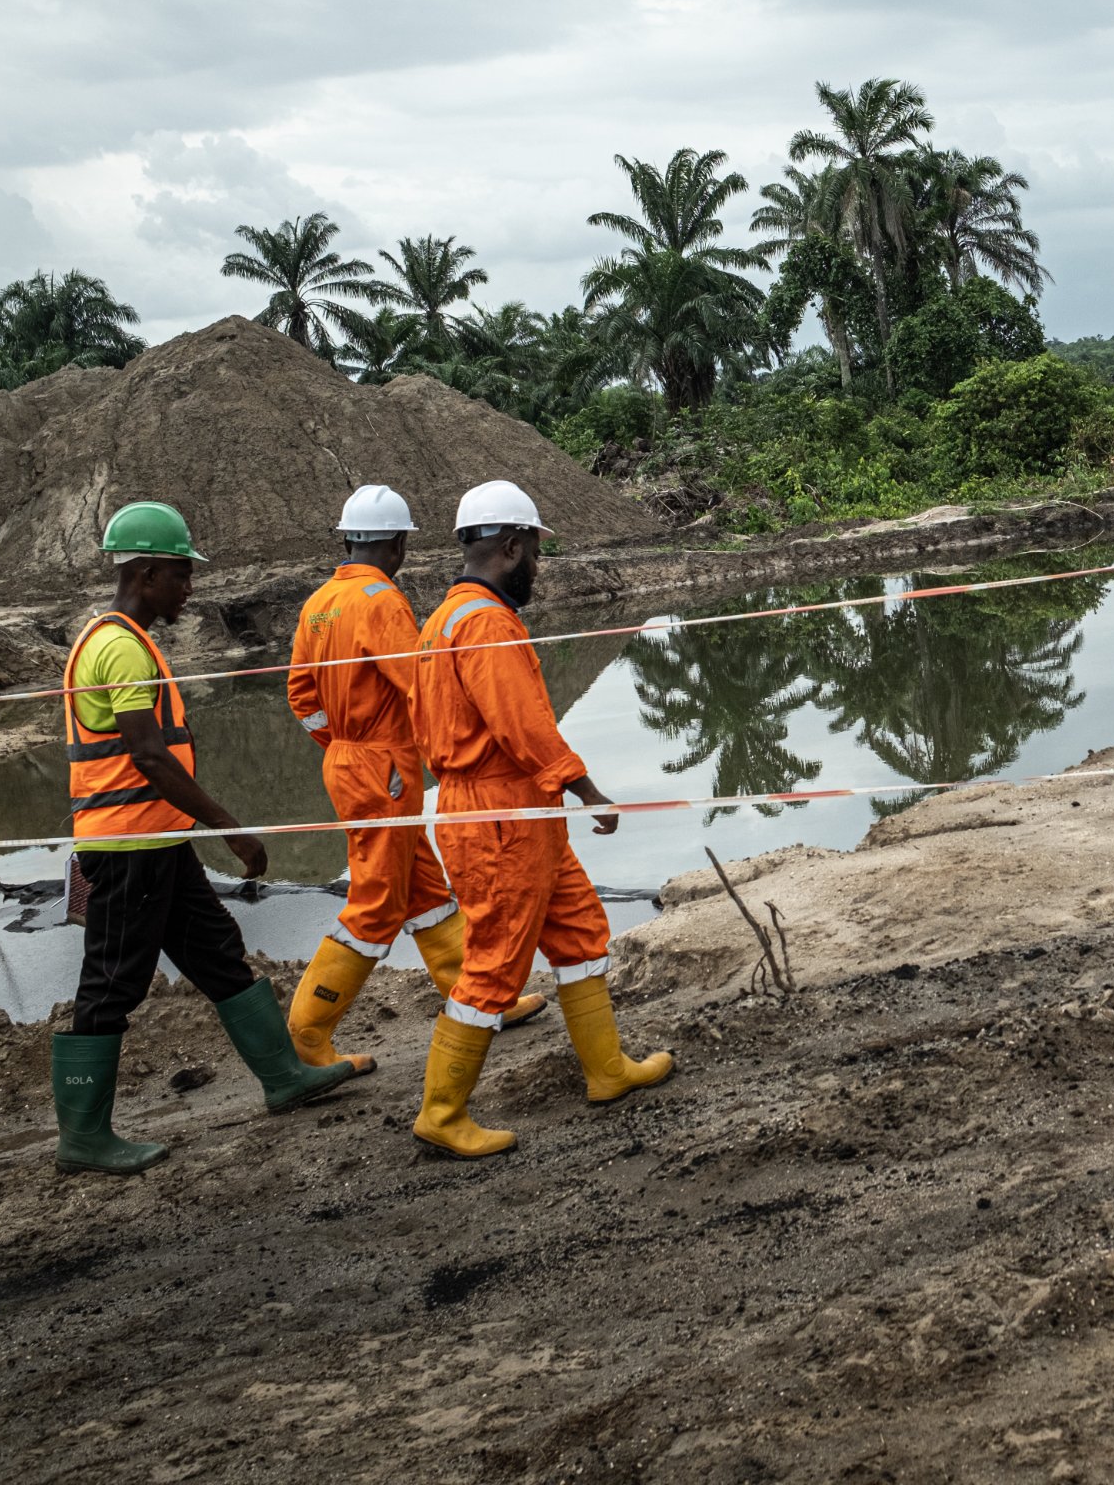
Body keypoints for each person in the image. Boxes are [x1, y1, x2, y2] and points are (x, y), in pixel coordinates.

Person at [51, 501, 358, 1177]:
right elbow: (149, 756)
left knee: (217, 953)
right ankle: (83, 1138)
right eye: (182, 576)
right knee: (111, 985)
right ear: (149, 572)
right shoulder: (120, 645)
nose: (189, 590)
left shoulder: (116, 637)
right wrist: (231, 829)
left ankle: (283, 1078)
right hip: (129, 847)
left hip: (154, 843)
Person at [407, 480, 670, 1158]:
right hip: (500, 812)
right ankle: (442, 1111)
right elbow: (524, 726)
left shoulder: (444, 618)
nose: (538, 570)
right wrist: (589, 790)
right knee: (494, 964)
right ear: (513, 545)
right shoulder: (487, 622)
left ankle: (607, 1070)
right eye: (535, 555)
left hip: (512, 809)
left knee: (580, 930)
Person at [284, 485, 547, 1074]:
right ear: (399, 544)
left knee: (423, 890)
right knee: (377, 902)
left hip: (348, 762)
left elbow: (300, 692)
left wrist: (341, 743)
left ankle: (481, 999)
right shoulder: (382, 601)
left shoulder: (320, 602)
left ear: (348, 540)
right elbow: (422, 683)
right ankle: (306, 1036)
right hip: (382, 767)